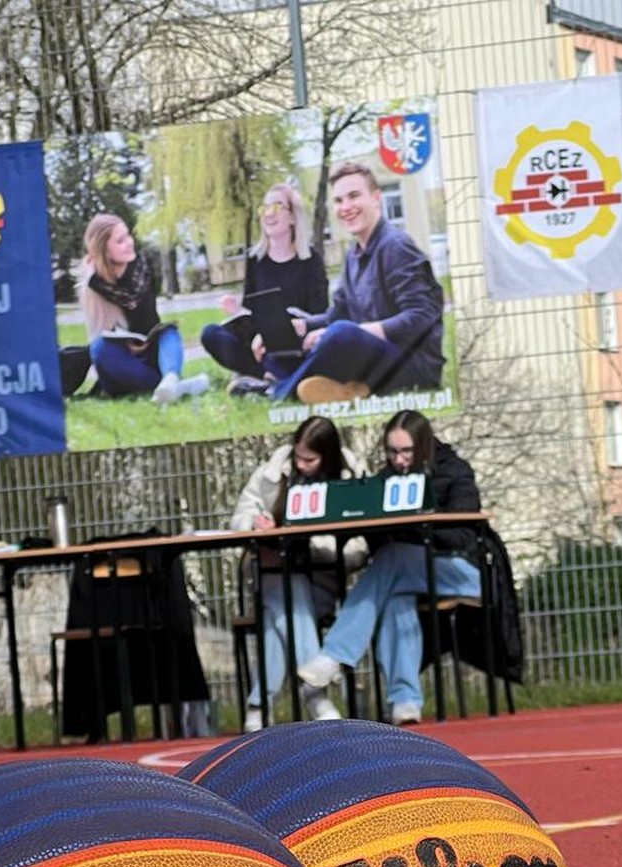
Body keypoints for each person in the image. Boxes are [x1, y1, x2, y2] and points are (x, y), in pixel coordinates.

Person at [296, 410, 479, 726]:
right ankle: (405, 700)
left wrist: (421, 523)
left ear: (423, 445)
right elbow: (377, 542)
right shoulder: (385, 479)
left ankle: (335, 654)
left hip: (461, 572)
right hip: (403, 574)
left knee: (395, 557)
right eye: (392, 451)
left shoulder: (455, 471)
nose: (399, 459)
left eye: (407, 451)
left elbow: (465, 536)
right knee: (396, 599)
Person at [229, 414, 365, 730]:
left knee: (280, 615)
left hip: (321, 580)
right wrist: (255, 525)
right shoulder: (272, 471)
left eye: (310, 459)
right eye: (298, 456)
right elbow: (240, 516)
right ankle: (314, 693)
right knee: (287, 589)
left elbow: (360, 548)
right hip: (271, 575)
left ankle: (258, 706)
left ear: (327, 456)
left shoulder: (352, 476)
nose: (301, 465)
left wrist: (311, 546)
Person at [278, 161, 445, 406]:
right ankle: (346, 389)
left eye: (354, 196)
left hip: (411, 366)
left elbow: (421, 316)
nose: (346, 207)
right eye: (339, 200)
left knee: (340, 333)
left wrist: (357, 331)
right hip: (371, 358)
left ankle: (276, 390)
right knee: (287, 336)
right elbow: (338, 313)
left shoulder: (396, 247)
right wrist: (301, 326)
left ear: (376, 198)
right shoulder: (353, 254)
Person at [200, 181, 329, 396]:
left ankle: (263, 378)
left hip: (295, 340)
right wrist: (236, 311)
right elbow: (251, 308)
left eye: (277, 206)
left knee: (308, 348)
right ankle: (267, 376)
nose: (269, 213)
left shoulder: (311, 260)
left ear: (292, 217)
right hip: (258, 342)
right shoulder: (255, 259)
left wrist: (286, 327)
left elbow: (319, 313)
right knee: (211, 333)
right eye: (265, 208)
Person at [68, 213, 208, 403]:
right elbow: (101, 332)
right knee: (99, 348)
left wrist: (98, 283)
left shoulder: (141, 265)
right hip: (124, 363)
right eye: (120, 241)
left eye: (128, 235)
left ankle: (171, 379)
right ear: (104, 250)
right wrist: (95, 282)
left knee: (168, 333)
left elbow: (133, 299)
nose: (129, 243)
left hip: (152, 353)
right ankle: (179, 388)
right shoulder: (94, 284)